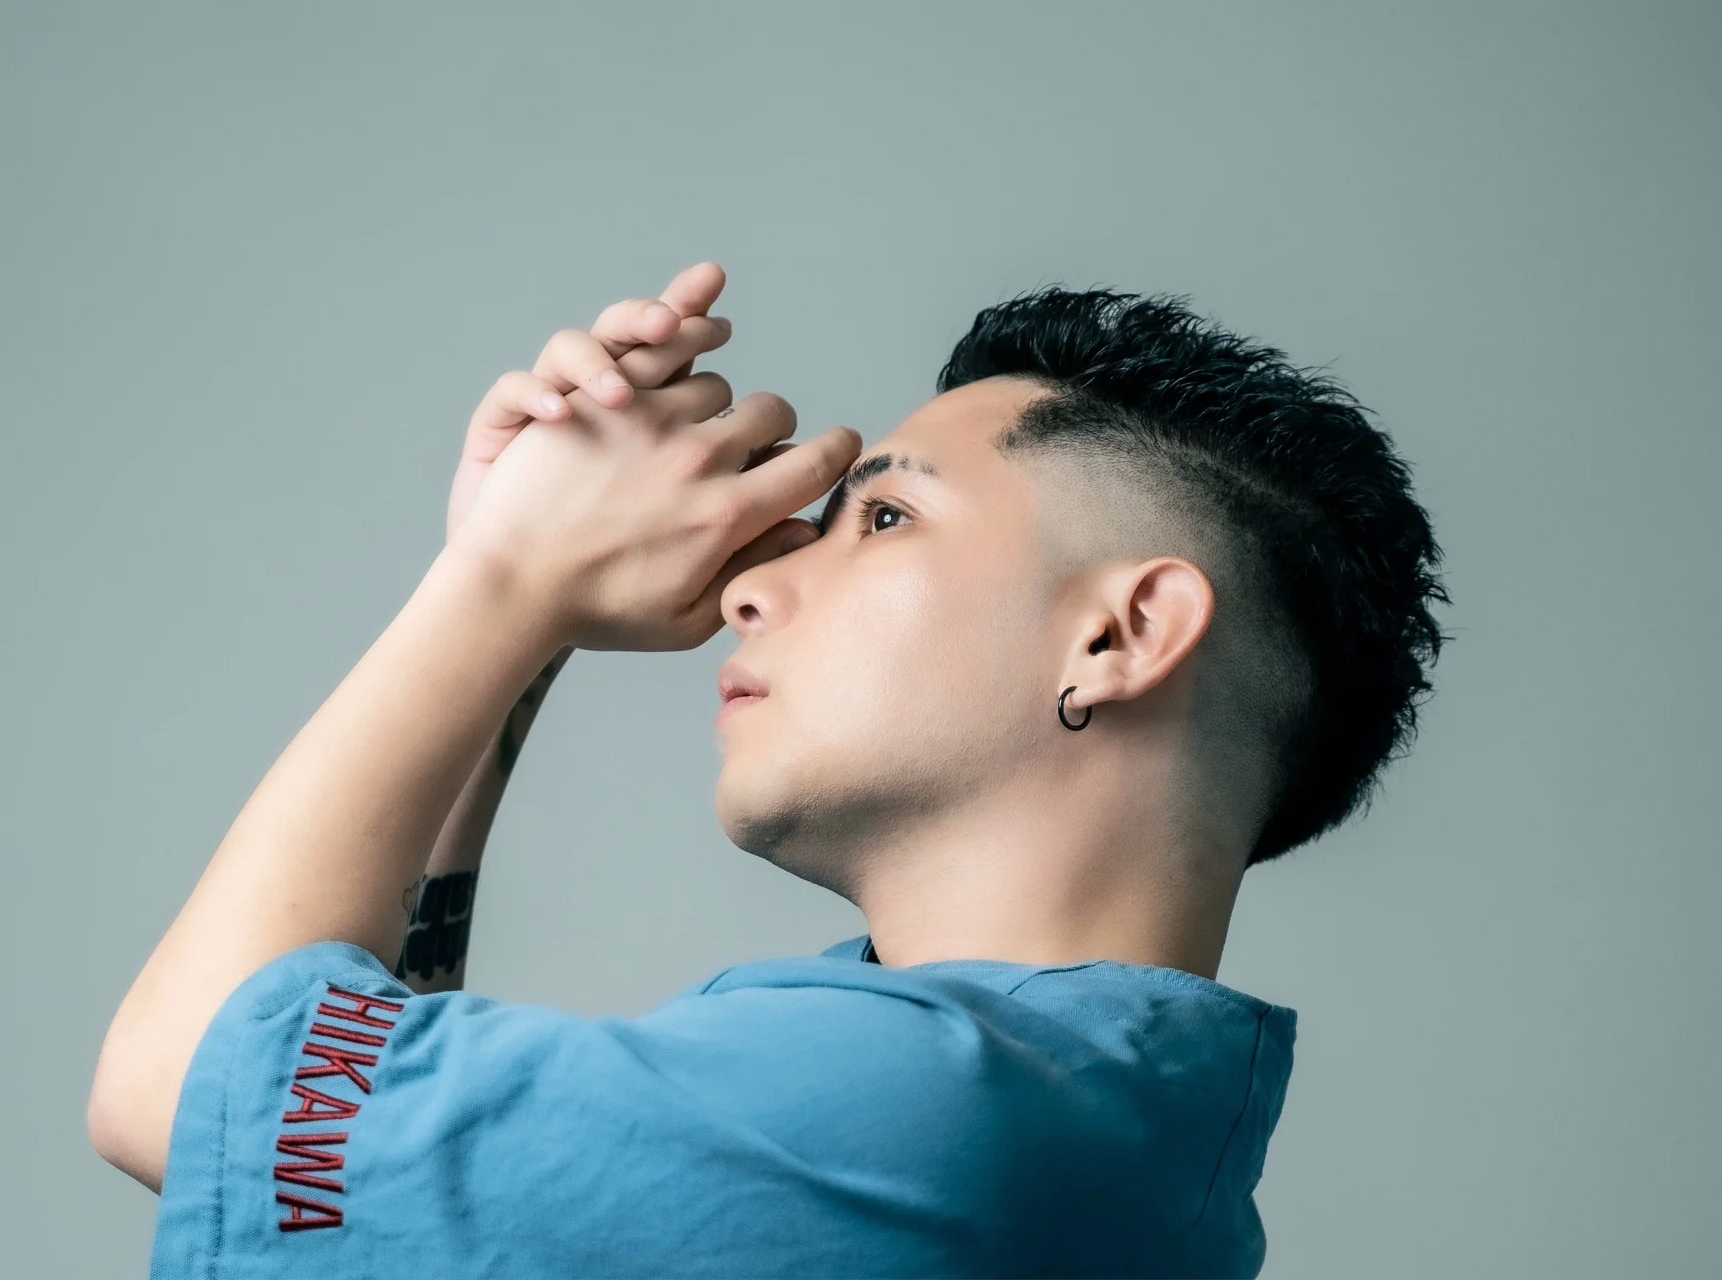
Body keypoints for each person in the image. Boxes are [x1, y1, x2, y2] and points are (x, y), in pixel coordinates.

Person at [88, 262, 1446, 1277]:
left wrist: (502, 582)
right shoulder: (1094, 1121)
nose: (753, 585)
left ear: (1118, 635)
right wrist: (520, 623)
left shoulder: (917, 1113)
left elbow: (183, 1085)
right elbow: (353, 1141)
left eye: (886, 517)